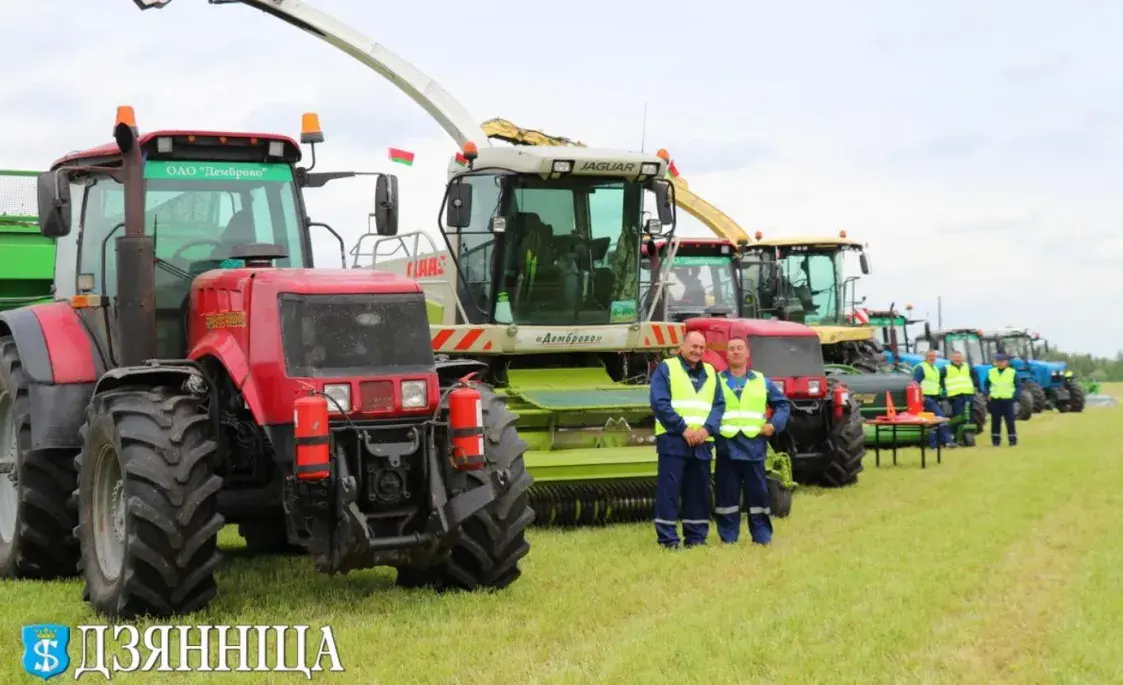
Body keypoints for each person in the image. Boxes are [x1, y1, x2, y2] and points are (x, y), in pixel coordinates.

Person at [649, 330, 725, 549]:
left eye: (701, 348)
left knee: (698, 492)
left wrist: (707, 430)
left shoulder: (711, 372)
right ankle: (668, 539)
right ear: (681, 346)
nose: (697, 351)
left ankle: (696, 538)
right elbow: (659, 403)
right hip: (674, 440)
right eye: (693, 346)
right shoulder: (666, 368)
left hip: (702, 442)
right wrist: (683, 429)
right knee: (669, 492)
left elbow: (719, 405)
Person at [714, 337, 790, 545]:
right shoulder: (715, 382)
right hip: (726, 447)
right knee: (727, 496)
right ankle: (728, 538)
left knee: (757, 495)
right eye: (731, 349)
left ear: (747, 353)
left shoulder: (762, 381)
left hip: (754, 447)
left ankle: (762, 536)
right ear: (726, 354)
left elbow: (783, 405)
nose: (736, 352)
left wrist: (773, 426)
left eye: (739, 348)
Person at [912, 349, 956, 449]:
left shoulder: (935, 368)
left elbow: (937, 384)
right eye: (930, 356)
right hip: (926, 398)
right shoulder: (921, 368)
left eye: (933, 356)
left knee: (932, 421)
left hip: (935, 397)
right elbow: (915, 383)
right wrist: (921, 397)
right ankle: (948, 441)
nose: (932, 358)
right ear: (925, 357)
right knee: (940, 416)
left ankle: (934, 445)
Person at [986, 353, 1021, 446]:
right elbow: (986, 384)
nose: (1000, 363)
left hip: (1008, 400)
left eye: (1002, 361)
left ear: (1006, 362)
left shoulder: (1012, 372)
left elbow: (1018, 385)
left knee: (1010, 421)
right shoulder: (991, 372)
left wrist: (1015, 396)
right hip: (995, 400)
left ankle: (1012, 441)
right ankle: (996, 442)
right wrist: (987, 393)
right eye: (998, 361)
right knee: (995, 421)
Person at [944, 350, 978, 431]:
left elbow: (975, 376)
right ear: (951, 358)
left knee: (970, 413)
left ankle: (969, 431)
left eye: (959, 357)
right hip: (955, 395)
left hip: (968, 394)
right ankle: (958, 433)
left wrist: (975, 386)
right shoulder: (946, 368)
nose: (957, 359)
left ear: (962, 358)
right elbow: (940, 379)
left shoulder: (968, 367)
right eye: (955, 358)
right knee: (959, 415)